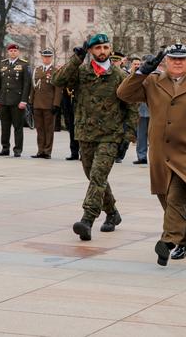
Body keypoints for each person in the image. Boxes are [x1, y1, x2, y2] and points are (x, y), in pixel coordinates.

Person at [117, 43, 186, 266]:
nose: (177, 63)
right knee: (171, 202)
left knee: (176, 197)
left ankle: (168, 241)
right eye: (173, 59)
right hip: (160, 154)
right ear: (166, 61)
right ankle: (185, 243)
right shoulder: (153, 81)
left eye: (181, 59)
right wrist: (143, 70)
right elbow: (124, 93)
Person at [51, 33, 138, 241]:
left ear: (110, 49)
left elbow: (132, 105)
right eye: (97, 48)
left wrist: (128, 135)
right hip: (85, 134)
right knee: (94, 177)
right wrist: (76, 58)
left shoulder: (119, 75)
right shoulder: (81, 71)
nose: (102, 52)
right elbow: (58, 80)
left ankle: (87, 219)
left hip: (110, 135)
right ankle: (112, 213)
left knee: (98, 176)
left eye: (106, 48)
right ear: (90, 51)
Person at [0, 43, 31, 157]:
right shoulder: (2, 64)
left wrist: (24, 100)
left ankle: (17, 149)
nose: (13, 53)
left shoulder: (24, 65)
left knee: (18, 127)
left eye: (15, 51)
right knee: (5, 126)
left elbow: (27, 84)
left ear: (18, 52)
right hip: (4, 100)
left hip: (17, 101)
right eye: (11, 51)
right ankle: (5, 148)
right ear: (8, 52)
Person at [29, 48, 62, 159]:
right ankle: (40, 150)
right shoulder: (37, 70)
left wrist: (56, 104)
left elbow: (58, 89)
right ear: (42, 57)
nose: (46, 59)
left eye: (48, 57)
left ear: (51, 58)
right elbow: (33, 87)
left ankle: (47, 151)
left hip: (49, 105)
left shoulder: (55, 71)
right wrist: (31, 102)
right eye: (44, 57)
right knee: (39, 129)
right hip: (37, 104)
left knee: (48, 129)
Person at [133, 55, 153, 165]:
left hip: (153, 109)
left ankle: (155, 156)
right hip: (140, 109)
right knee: (141, 135)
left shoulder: (156, 75)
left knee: (154, 135)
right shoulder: (138, 74)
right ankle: (142, 156)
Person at [61, 87, 79, 160]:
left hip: (80, 109)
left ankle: (83, 153)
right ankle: (74, 153)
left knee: (81, 131)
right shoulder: (67, 84)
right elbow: (65, 96)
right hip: (70, 108)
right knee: (72, 131)